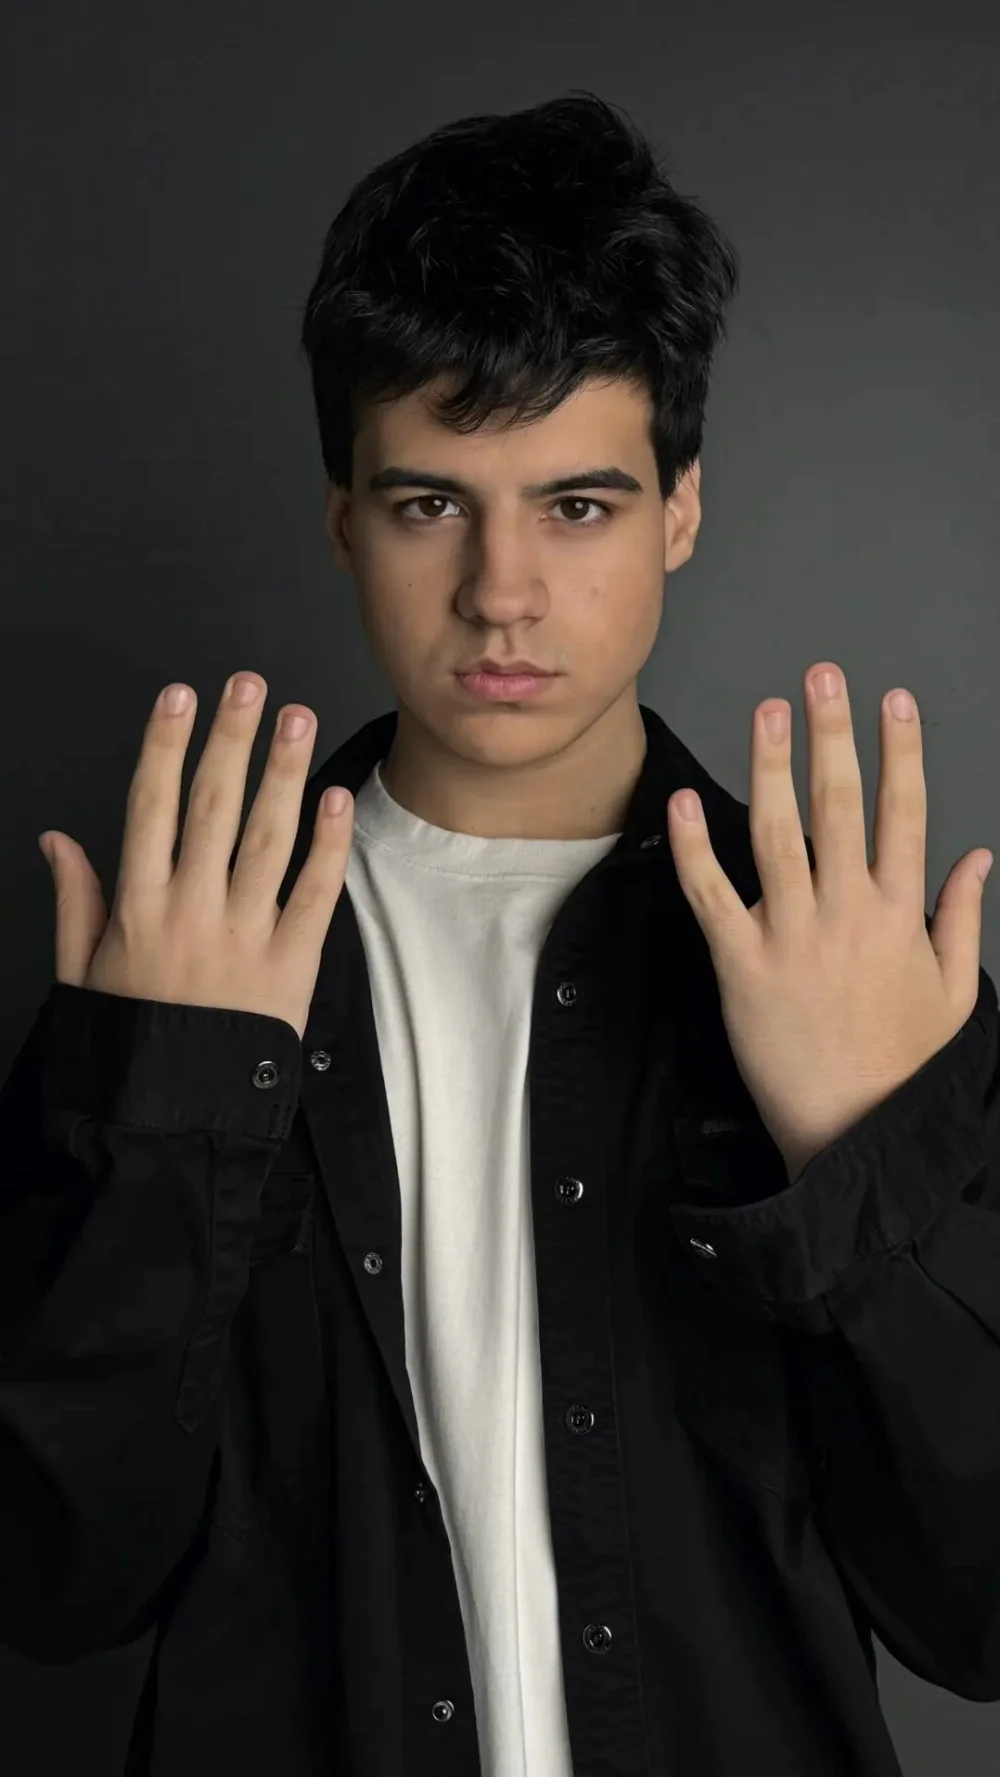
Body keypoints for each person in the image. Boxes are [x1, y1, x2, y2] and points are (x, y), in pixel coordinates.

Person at [3, 89, 999, 1777]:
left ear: (683, 510)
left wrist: (859, 1163)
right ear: (342, 518)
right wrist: (169, 1124)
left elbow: (978, 1619)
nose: (502, 592)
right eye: (429, 505)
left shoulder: (849, 968)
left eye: (580, 506)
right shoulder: (184, 963)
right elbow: (55, 1587)